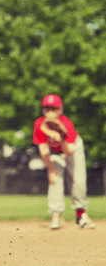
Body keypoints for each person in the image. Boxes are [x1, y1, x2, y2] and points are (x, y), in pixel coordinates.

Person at [33, 94, 95, 230]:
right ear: (43, 110)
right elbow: (44, 149)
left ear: (60, 110)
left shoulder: (66, 124)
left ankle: (81, 215)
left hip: (72, 148)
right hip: (54, 152)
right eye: (46, 108)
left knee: (78, 179)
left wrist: (60, 137)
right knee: (55, 179)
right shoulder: (39, 124)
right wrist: (51, 170)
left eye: (53, 108)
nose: (49, 112)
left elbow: (69, 152)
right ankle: (56, 216)